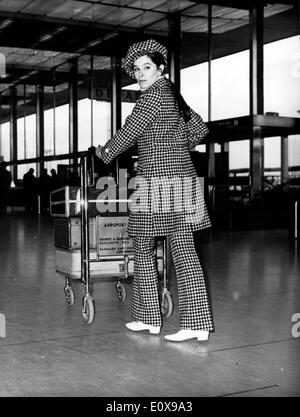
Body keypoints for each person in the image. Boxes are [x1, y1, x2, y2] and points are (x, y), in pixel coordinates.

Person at [95, 39, 214, 342]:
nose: (140, 73)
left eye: (146, 67)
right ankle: (163, 320)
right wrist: (177, 149)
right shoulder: (174, 95)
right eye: (136, 69)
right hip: (175, 180)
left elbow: (130, 131)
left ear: (160, 68)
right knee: (166, 247)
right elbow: (200, 128)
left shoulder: (151, 97)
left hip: (160, 182)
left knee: (155, 247)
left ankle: (173, 321)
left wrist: (104, 152)